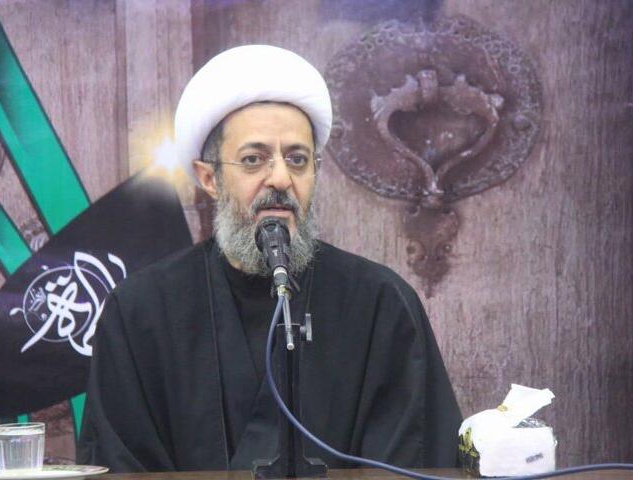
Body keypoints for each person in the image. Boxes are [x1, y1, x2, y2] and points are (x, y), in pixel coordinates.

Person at [77, 45, 461, 473]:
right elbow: (121, 464)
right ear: (210, 178)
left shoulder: (381, 304)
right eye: (253, 159)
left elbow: (413, 461)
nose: (280, 178)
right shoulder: (140, 312)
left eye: (297, 160)